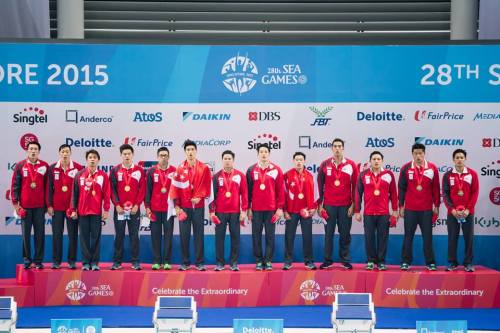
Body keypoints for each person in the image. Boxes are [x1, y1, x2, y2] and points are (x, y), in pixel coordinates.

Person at [170, 139, 211, 271]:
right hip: (184, 208)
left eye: (192, 149)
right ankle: (185, 262)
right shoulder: (180, 168)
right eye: (188, 150)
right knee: (184, 236)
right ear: (185, 152)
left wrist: (200, 197)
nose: (190, 152)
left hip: (198, 207)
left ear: (196, 151)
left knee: (199, 236)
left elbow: (207, 186)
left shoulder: (204, 168)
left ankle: (199, 262)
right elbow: (175, 188)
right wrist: (177, 207)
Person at [317, 138, 358, 270]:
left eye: (340, 146)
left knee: (345, 234)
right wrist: (320, 204)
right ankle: (327, 260)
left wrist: (354, 205)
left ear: (343, 148)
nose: (337, 148)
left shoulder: (351, 165)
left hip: (346, 206)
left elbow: (356, 187)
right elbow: (319, 185)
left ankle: (345, 260)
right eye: (335, 146)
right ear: (332, 148)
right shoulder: (325, 164)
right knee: (328, 234)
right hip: (328, 206)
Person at [399, 143, 440, 271]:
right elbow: (401, 188)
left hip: (426, 209)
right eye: (416, 153)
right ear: (412, 154)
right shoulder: (406, 168)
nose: (418, 156)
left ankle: (430, 262)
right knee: (408, 237)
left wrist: (437, 205)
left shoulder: (432, 168)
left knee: (427, 237)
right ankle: (406, 261)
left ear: (424, 154)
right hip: (410, 209)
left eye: (420, 153)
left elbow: (436, 188)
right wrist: (401, 205)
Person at [354, 151, 398, 271]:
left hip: (384, 213)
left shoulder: (389, 174)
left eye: (379, 159)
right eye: (374, 159)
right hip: (368, 213)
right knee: (369, 238)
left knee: (383, 238)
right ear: (370, 161)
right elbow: (358, 193)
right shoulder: (363, 175)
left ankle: (381, 262)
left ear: (382, 161)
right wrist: (357, 211)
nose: (376, 161)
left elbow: (394, 193)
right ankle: (370, 261)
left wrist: (395, 210)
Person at [69, 150, 110, 271]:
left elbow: (106, 194)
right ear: (86, 160)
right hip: (82, 212)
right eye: (90, 157)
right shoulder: (79, 175)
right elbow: (74, 194)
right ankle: (86, 262)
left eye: (95, 157)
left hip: (96, 212)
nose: (92, 159)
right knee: (84, 238)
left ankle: (95, 263)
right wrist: (73, 209)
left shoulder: (103, 175)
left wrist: (106, 209)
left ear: (98, 160)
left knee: (96, 238)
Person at [11, 141, 49, 269]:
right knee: (25, 235)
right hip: (25, 207)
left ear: (38, 151)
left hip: (39, 207)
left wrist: (47, 205)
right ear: (27, 151)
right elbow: (15, 186)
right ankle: (27, 260)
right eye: (31, 149)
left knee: (40, 235)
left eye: (35, 149)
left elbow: (48, 187)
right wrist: (16, 205)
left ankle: (38, 261)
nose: (33, 151)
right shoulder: (20, 165)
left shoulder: (44, 166)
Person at [246, 143, 285, 271]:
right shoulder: (251, 170)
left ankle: (268, 261)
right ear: (257, 154)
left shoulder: (277, 170)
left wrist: (279, 209)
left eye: (265, 152)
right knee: (256, 235)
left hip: (271, 210)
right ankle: (258, 261)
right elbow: (248, 192)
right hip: (256, 210)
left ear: (269, 154)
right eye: (261, 151)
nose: (263, 154)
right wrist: (248, 208)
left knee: (270, 236)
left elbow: (280, 191)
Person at [209, 150, 248, 271]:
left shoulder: (240, 176)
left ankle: (234, 263)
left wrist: (244, 211)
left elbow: (245, 194)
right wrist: (212, 212)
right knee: (219, 238)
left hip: (235, 212)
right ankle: (220, 263)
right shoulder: (216, 177)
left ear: (233, 160)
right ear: (222, 160)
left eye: (229, 158)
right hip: (220, 212)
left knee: (235, 237)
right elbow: (212, 196)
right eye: (225, 158)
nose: (227, 161)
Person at [109, 144, 146, 270]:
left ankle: (135, 261)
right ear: (121, 155)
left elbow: (142, 189)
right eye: (124, 154)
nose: (127, 156)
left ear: (132, 155)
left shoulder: (139, 170)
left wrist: (137, 205)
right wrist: (117, 205)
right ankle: (117, 261)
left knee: (134, 235)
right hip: (119, 210)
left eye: (129, 154)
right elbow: (112, 190)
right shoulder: (115, 170)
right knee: (119, 235)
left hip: (134, 210)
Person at [442, 149, 479, 272]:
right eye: (457, 157)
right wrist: (452, 210)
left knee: (469, 238)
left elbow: (475, 193)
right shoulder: (447, 175)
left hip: (468, 213)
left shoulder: (472, 174)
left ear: (465, 159)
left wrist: (468, 210)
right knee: (452, 238)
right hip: (453, 214)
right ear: (453, 159)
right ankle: (452, 263)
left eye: (461, 157)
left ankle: (468, 263)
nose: (459, 159)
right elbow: (445, 194)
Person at [46, 144, 83, 269]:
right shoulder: (52, 168)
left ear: (70, 153)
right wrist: (49, 205)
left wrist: (76, 207)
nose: (65, 154)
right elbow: (49, 189)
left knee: (73, 235)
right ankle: (56, 261)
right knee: (57, 235)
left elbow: (80, 190)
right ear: (59, 153)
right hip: (56, 207)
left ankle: (71, 261)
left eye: (67, 151)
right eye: (63, 151)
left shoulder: (78, 168)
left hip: (72, 208)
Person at [283, 152, 317, 270]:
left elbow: (314, 193)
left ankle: (309, 261)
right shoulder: (287, 175)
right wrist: (285, 210)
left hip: (306, 211)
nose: (298, 162)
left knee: (307, 237)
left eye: (301, 160)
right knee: (289, 236)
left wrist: (313, 207)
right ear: (293, 161)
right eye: (296, 159)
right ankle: (288, 261)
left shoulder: (310, 176)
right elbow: (283, 194)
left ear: (304, 161)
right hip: (291, 210)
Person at [145, 147, 177, 270]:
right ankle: (157, 261)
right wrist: (147, 207)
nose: (163, 157)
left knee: (168, 236)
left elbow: (177, 190)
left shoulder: (174, 171)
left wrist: (177, 206)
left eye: (165, 155)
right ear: (157, 157)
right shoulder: (151, 171)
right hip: (155, 209)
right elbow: (148, 191)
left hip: (169, 209)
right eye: (161, 155)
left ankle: (167, 261)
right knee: (155, 236)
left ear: (169, 157)